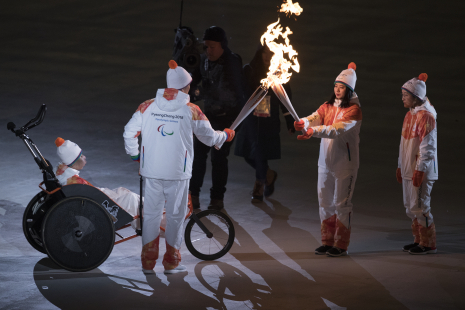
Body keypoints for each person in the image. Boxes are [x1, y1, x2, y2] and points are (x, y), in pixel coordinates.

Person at [123, 60, 235, 274]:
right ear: (186, 87)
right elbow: (210, 138)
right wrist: (226, 135)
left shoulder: (147, 106)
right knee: (175, 215)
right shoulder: (191, 110)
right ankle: (171, 262)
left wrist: (136, 155)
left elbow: (129, 132)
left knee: (152, 215)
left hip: (152, 171)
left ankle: (148, 263)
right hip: (178, 173)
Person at [294, 63, 362, 257]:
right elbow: (315, 117)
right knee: (324, 202)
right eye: (336, 86)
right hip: (324, 162)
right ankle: (327, 240)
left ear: (349, 90)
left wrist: (311, 131)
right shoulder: (328, 105)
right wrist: (304, 122)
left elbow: (335, 130)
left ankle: (341, 244)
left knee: (341, 204)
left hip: (345, 164)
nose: (337, 90)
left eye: (342, 87)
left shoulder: (354, 111)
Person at [188, 26, 245, 211]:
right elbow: (192, 82)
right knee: (198, 157)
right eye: (206, 47)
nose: (208, 51)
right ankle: (193, 195)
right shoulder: (204, 61)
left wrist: (200, 91)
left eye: (212, 47)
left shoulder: (232, 61)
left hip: (227, 119)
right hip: (209, 117)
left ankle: (217, 199)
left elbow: (227, 91)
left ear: (222, 45)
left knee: (219, 159)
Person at [234, 44, 295, 202]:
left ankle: (259, 185)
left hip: (268, 121)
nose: (267, 57)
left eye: (271, 53)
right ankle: (268, 174)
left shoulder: (279, 73)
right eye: (265, 53)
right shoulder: (250, 69)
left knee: (261, 154)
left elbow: (285, 99)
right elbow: (241, 91)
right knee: (247, 153)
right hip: (251, 119)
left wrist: (290, 121)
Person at [54, 137, 140, 230]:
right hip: (99, 208)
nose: (84, 157)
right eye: (81, 156)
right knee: (132, 198)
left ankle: (154, 215)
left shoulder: (62, 174)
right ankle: (149, 225)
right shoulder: (76, 182)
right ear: (74, 162)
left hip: (92, 201)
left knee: (122, 191)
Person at [397, 73, 437, 255]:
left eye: (406, 95)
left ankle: (428, 244)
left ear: (416, 97)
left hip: (422, 170)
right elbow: (403, 144)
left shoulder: (426, 117)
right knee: (410, 207)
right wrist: (400, 165)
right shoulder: (409, 115)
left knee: (421, 207)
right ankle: (418, 240)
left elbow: (428, 147)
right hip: (408, 169)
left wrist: (420, 170)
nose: (403, 98)